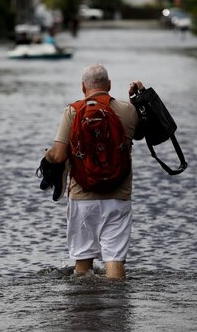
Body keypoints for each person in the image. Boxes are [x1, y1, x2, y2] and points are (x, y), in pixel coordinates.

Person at [45, 64, 144, 279]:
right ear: (109, 85)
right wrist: (141, 96)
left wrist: (47, 156)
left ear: (83, 87)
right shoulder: (128, 111)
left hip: (83, 197)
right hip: (119, 196)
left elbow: (60, 155)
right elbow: (155, 132)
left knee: (83, 261)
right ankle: (116, 304)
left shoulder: (73, 111)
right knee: (115, 259)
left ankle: (85, 304)